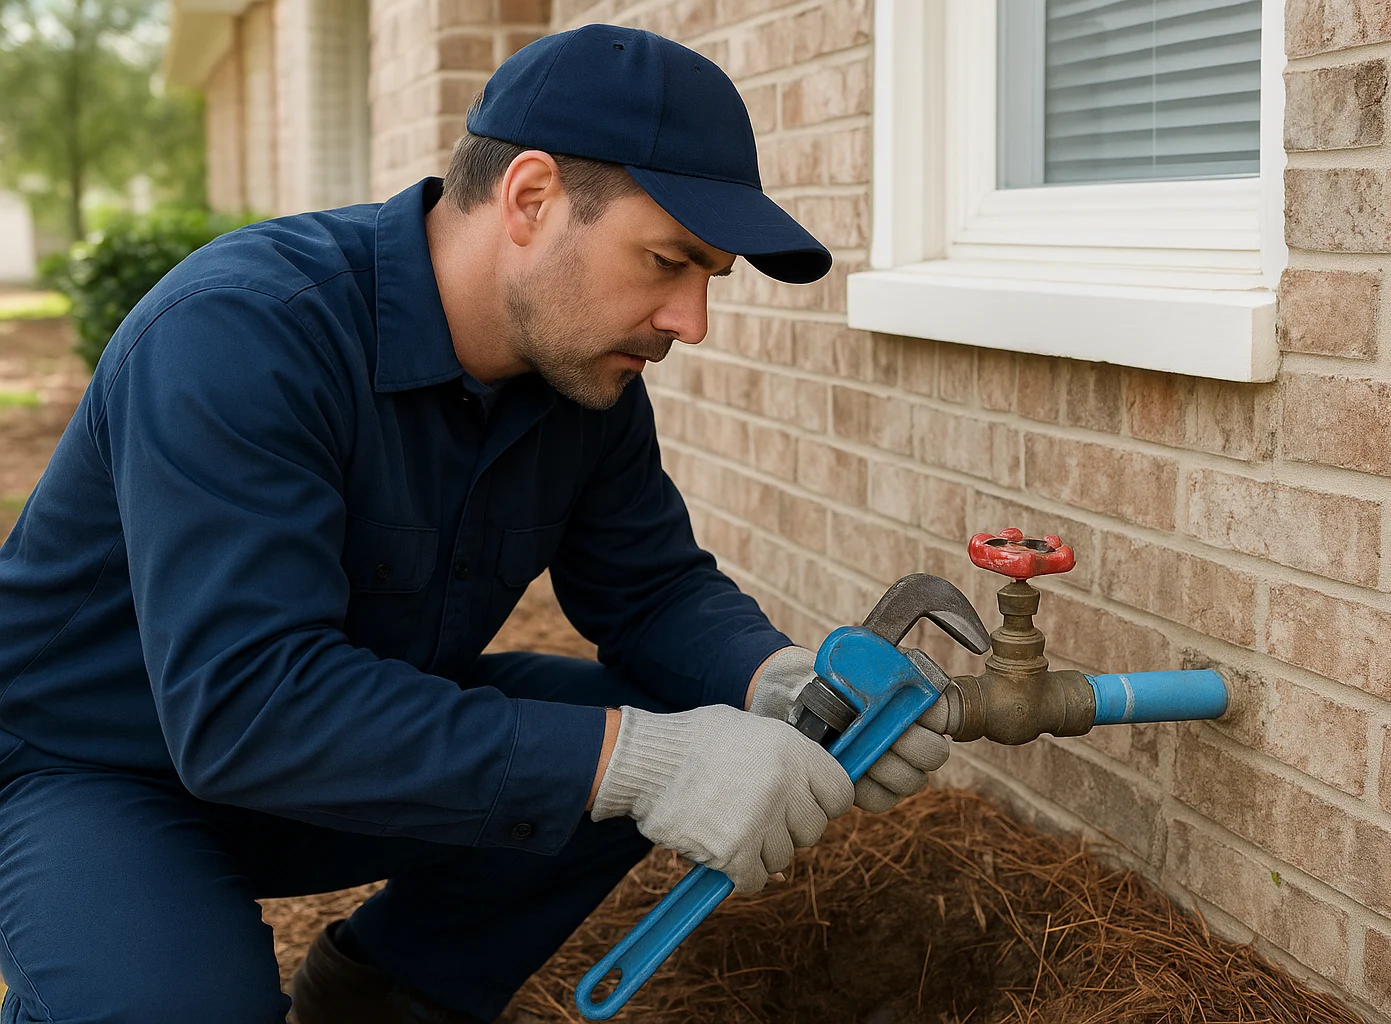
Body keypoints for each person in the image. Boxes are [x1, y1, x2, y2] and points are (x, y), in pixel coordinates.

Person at [0, 24, 949, 1024]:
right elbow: (251, 705)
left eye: (708, 277)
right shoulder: (240, 334)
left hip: (323, 749)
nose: (691, 320)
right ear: (531, 198)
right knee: (170, 1006)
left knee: (661, 719)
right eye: (667, 260)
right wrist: (638, 759)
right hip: (88, 767)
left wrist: (778, 683)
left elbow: (652, 587)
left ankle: (382, 995)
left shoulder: (583, 381)